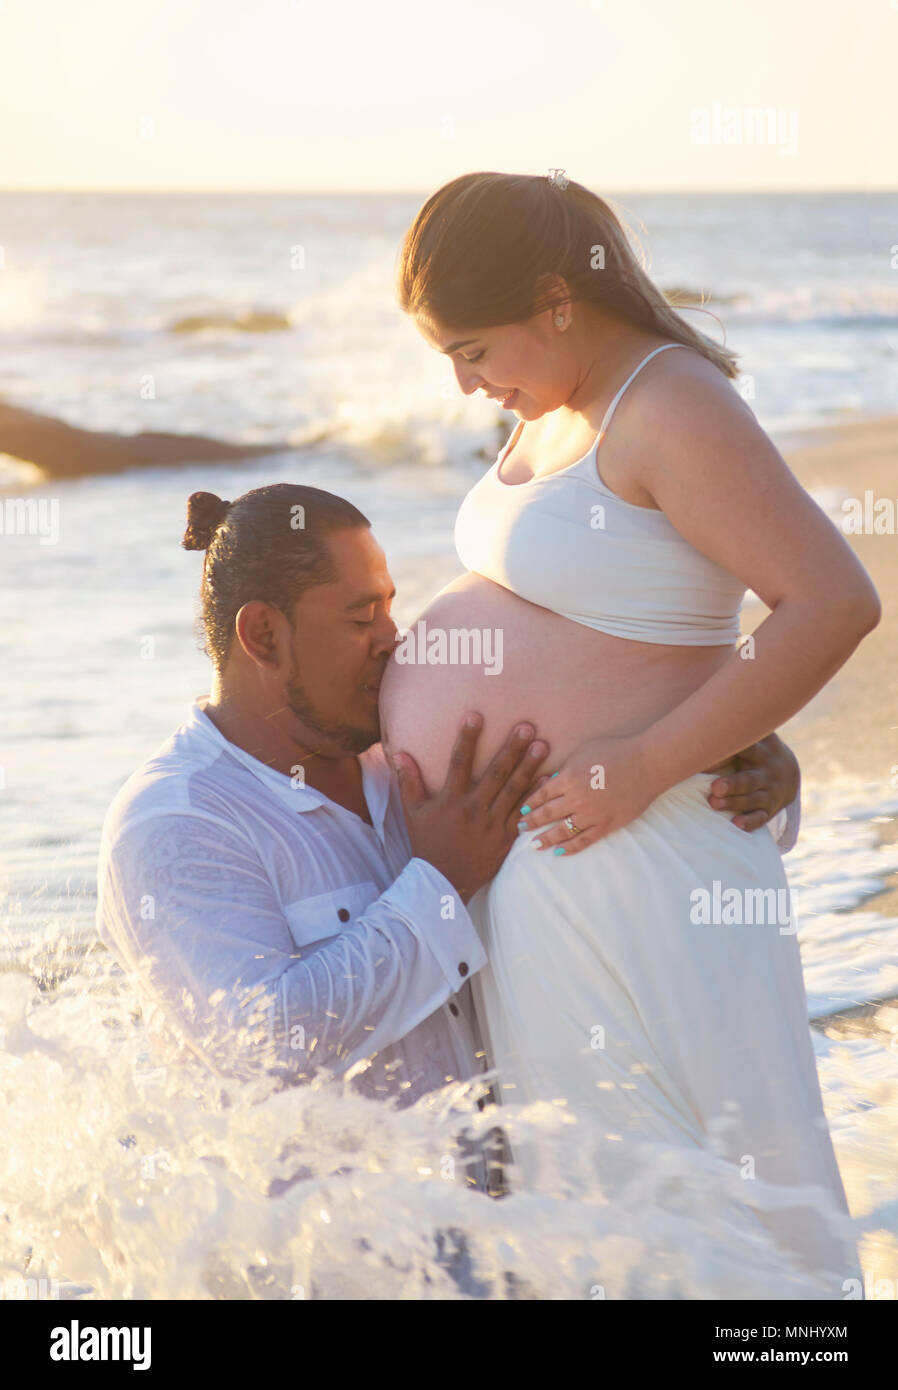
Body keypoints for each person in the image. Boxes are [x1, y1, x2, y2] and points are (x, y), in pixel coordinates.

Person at [379, 169, 880, 1287]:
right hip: (560, 862)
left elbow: (832, 601)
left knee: (717, 1199)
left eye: (473, 349)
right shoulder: (560, 400)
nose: (464, 384)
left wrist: (652, 756)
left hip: (642, 855)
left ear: (556, 300)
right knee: (602, 1215)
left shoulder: (672, 403)